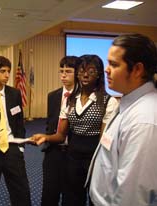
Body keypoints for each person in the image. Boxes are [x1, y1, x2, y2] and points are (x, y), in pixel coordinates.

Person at [32, 54, 118, 206]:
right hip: (72, 159)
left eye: (91, 71)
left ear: (98, 74)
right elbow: (60, 135)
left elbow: (104, 139)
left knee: (94, 199)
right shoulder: (71, 100)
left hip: (94, 160)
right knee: (72, 199)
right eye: (81, 70)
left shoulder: (108, 101)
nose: (85, 75)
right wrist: (45, 137)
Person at [89, 33, 157, 205]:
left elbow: (132, 196)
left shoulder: (144, 120)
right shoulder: (129, 101)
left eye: (114, 64)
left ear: (137, 70)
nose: (106, 69)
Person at [0, 55, 31, 206]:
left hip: (12, 148)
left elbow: (19, 121)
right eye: (3, 71)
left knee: (22, 192)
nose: (7, 75)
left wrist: (21, 147)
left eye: (8, 71)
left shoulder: (14, 93)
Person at [41, 56, 79, 206]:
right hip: (53, 152)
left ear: (77, 73)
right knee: (49, 195)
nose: (63, 75)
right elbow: (51, 123)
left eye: (68, 71)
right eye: (61, 71)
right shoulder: (53, 95)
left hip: (74, 153)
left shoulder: (83, 96)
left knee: (71, 196)